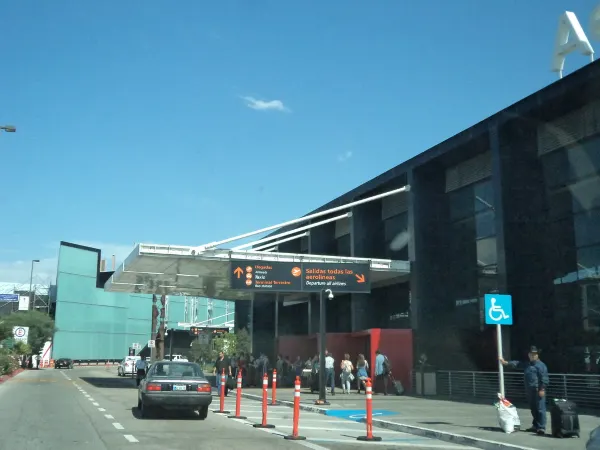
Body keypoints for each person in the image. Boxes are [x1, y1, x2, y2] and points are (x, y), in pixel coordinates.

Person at [499, 346, 549, 435]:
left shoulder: (541, 365)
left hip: (538, 390)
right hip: (530, 390)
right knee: (533, 409)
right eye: (530, 354)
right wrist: (505, 363)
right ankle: (535, 425)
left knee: (540, 409)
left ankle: (541, 427)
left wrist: (542, 389)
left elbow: (544, 378)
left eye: (534, 354)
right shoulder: (527, 364)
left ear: (537, 355)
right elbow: (517, 364)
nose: (532, 356)